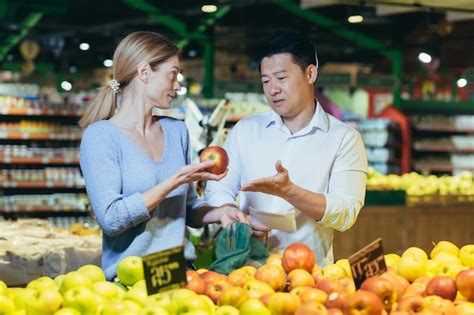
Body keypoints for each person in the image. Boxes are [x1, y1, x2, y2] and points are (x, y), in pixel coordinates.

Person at [79, 31, 246, 280]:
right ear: (144, 73)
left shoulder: (176, 130)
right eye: (173, 75)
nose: (178, 85)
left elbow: (188, 207)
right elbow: (111, 219)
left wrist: (219, 212)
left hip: (179, 273)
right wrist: (173, 181)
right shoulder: (100, 137)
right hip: (130, 282)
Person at [205, 30, 368, 267]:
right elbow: (218, 189)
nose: (273, 90)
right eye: (266, 81)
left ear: (310, 73)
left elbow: (345, 213)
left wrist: (290, 191)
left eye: (281, 78)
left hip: (310, 278)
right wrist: (232, 215)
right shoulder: (246, 130)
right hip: (244, 271)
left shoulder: (344, 139)